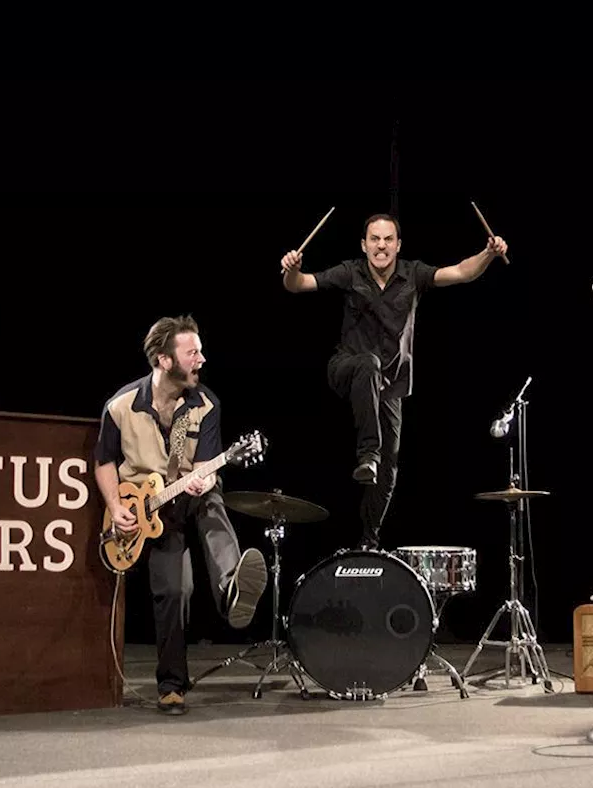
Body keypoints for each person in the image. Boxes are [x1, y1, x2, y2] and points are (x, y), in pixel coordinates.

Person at [281, 212, 508, 551]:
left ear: (398, 245)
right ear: (364, 245)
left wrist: (488, 254)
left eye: (388, 239)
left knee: (388, 473)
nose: (381, 245)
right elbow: (299, 285)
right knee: (369, 366)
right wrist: (292, 269)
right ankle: (367, 454)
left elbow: (461, 272)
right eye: (375, 239)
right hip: (347, 368)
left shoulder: (413, 275)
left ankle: (369, 539)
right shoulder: (349, 272)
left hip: (390, 385)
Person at [93, 314, 268, 716]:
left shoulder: (206, 405)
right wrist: (116, 507)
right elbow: (103, 461)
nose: (202, 359)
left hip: (191, 492)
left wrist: (201, 481)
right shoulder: (120, 406)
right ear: (163, 360)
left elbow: (207, 466)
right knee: (175, 591)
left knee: (211, 502)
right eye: (192, 352)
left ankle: (231, 590)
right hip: (146, 510)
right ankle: (171, 686)